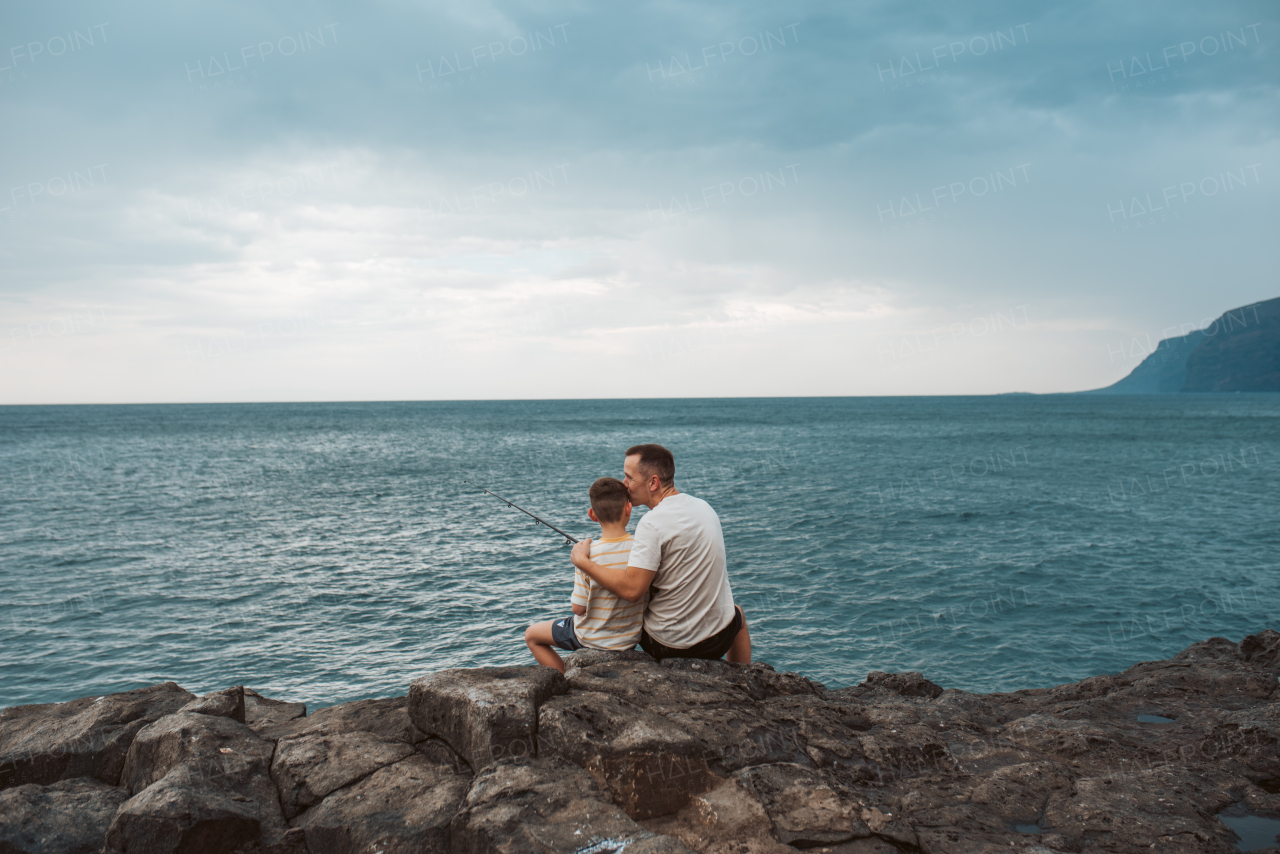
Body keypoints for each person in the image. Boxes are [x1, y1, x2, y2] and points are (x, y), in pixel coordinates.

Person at [571, 444, 750, 664]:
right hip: (719, 638)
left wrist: (583, 562)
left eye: (629, 478)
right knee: (737, 614)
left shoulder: (651, 523)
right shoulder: (703, 507)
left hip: (670, 645)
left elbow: (632, 590)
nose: (624, 485)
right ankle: (742, 678)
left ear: (653, 482)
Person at [524, 477, 647, 673]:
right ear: (628, 509)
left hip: (591, 637)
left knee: (531, 635)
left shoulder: (586, 554)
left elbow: (578, 608)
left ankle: (565, 681)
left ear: (592, 514)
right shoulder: (642, 548)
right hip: (629, 638)